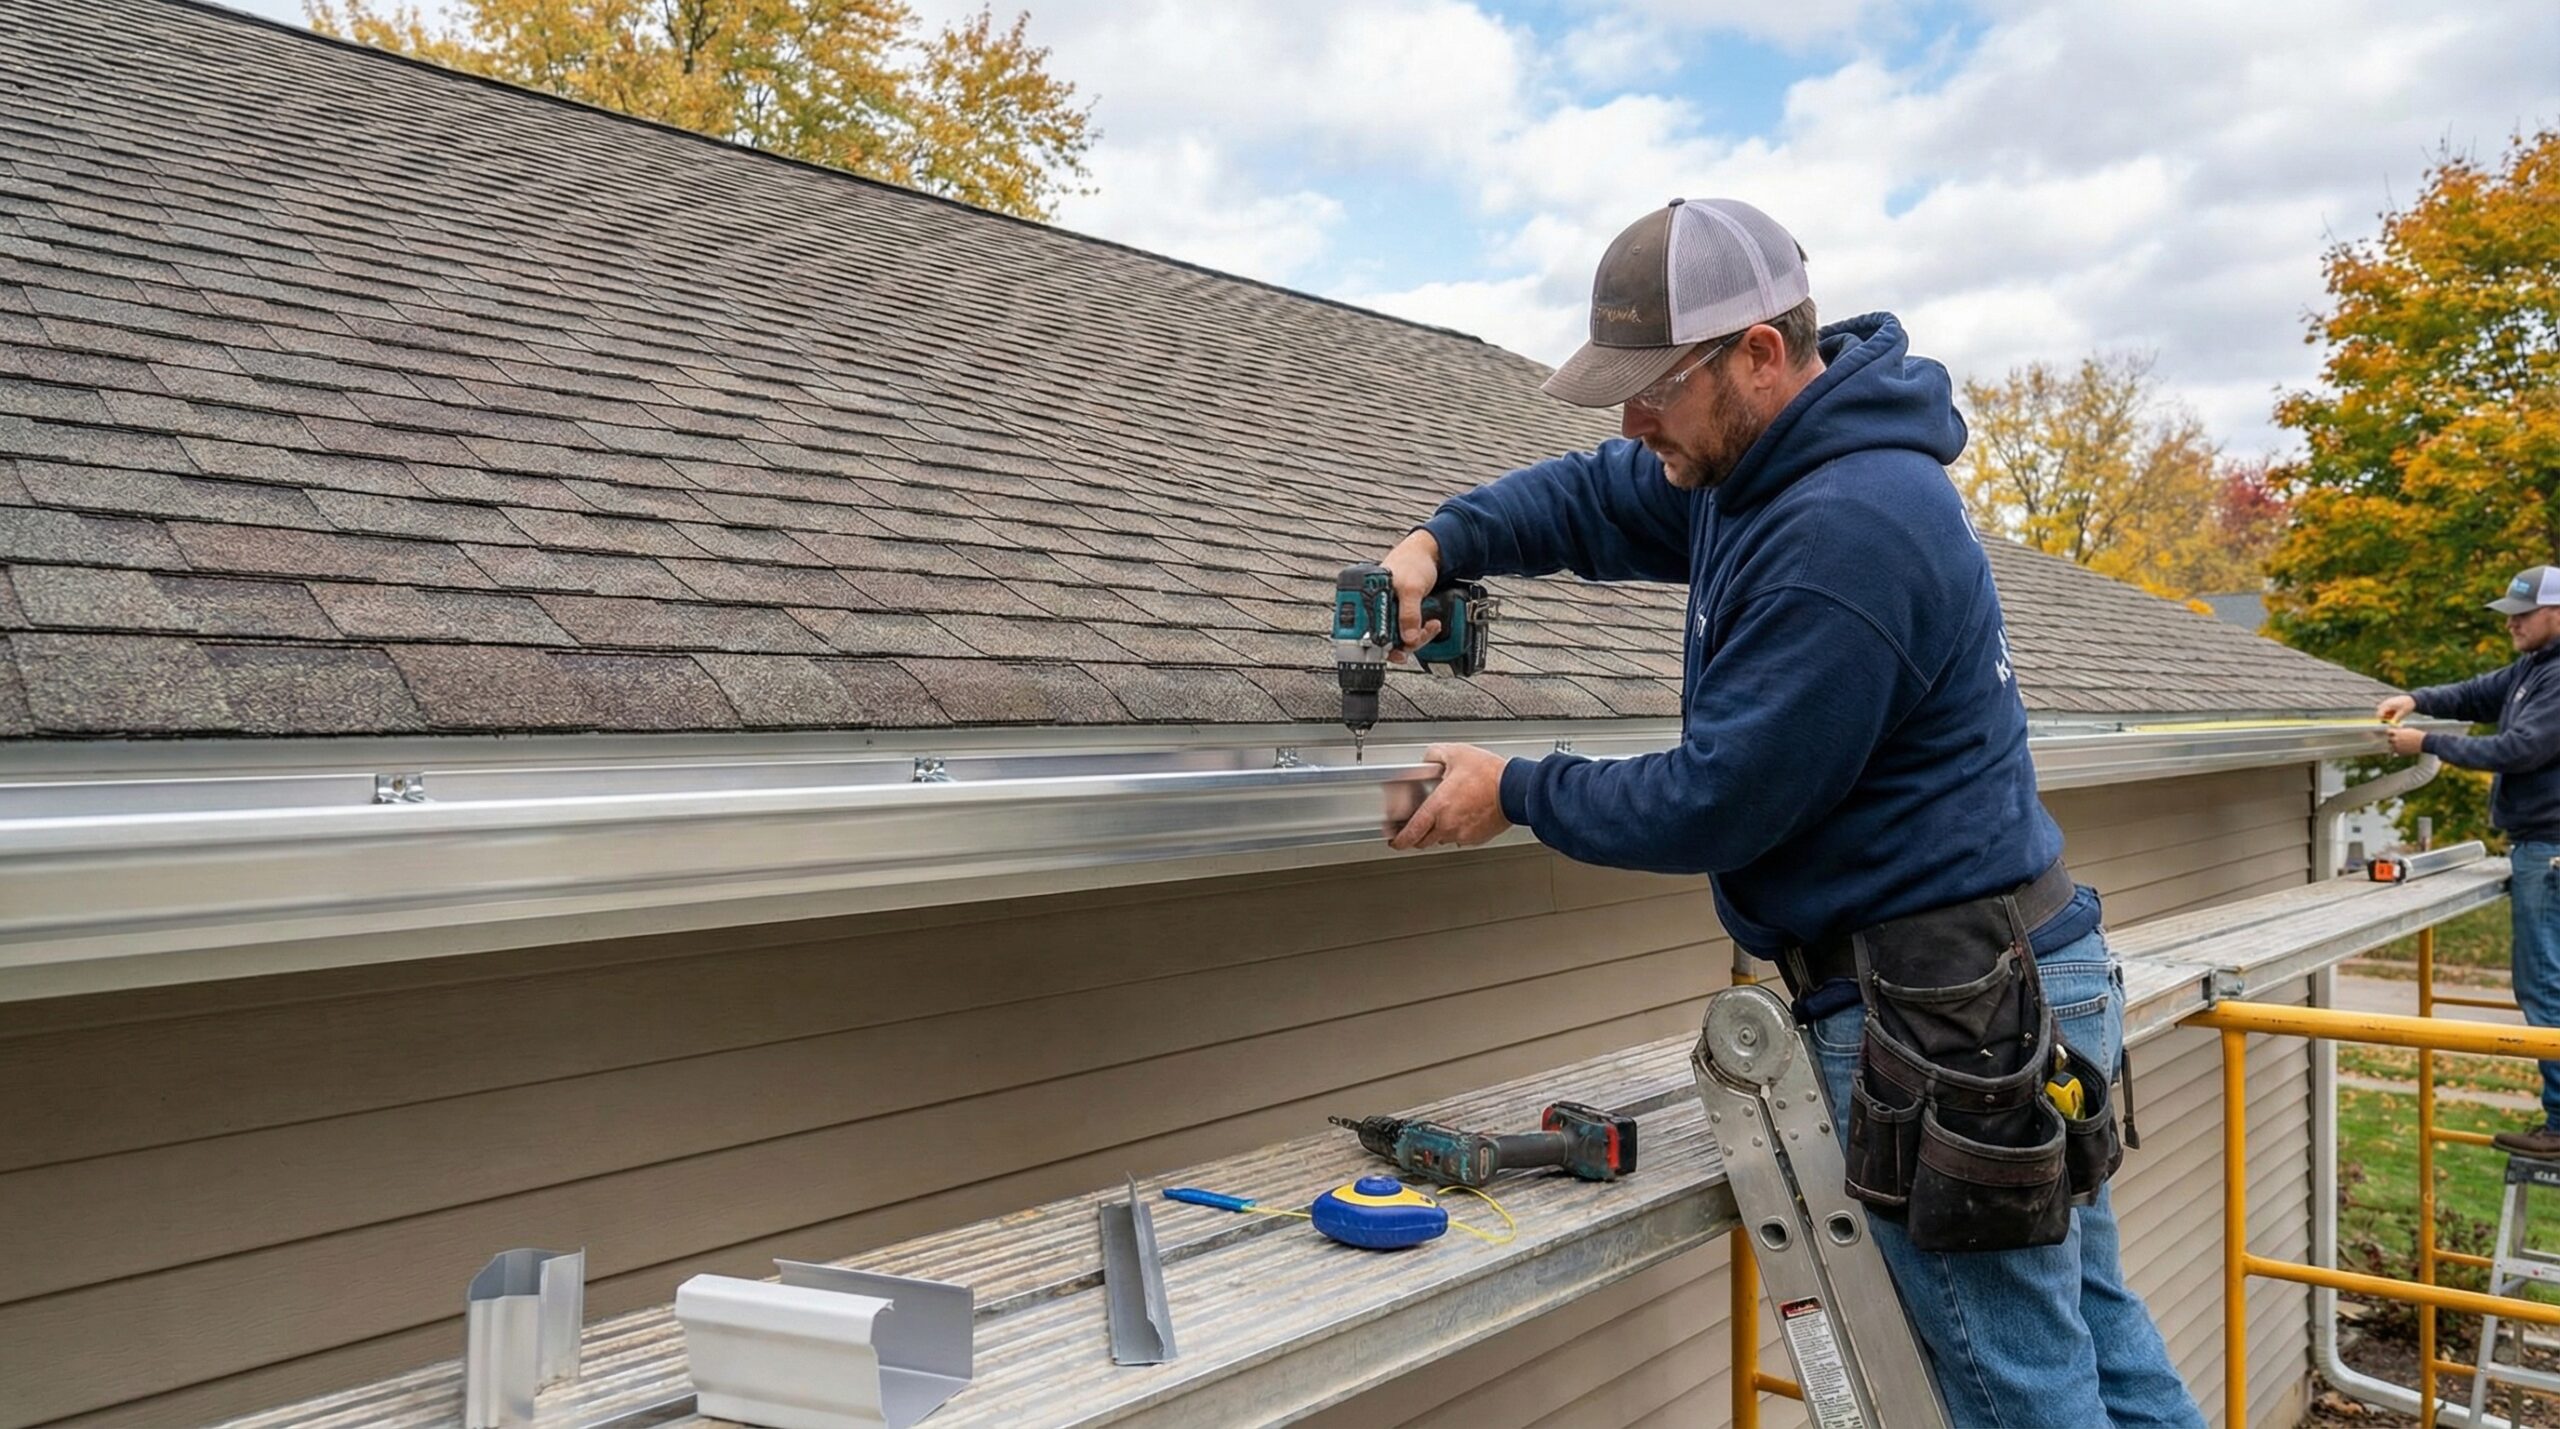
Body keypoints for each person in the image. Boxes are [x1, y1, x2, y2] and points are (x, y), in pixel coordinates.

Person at [1376, 197, 2202, 1428]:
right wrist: (1439, 544)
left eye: (1653, 389)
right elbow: (1602, 497)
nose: (1632, 420)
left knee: (2012, 1392)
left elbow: (1721, 800)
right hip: (2002, 978)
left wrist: (1515, 790)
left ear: (1758, 353)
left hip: (1945, 1014)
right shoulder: (1759, 464)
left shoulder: (1845, 529)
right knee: (2096, 1350)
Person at [2379, 565, 2560, 1157]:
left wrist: (2427, 742)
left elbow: (2519, 749)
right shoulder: (2533, 668)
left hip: (2549, 851)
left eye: (2522, 614)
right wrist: (2417, 700)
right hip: (2541, 847)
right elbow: (2477, 694)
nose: (2511, 623)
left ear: (2555, 614)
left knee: (2544, 985)